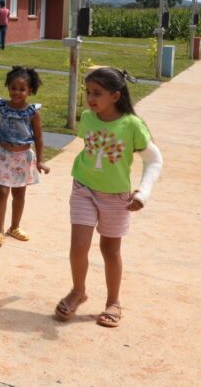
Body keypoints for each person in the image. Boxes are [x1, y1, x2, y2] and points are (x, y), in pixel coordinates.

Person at [54, 67, 163, 328]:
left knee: (110, 250)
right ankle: (78, 291)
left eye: (97, 93)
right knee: (78, 245)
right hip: (83, 188)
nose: (90, 98)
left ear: (115, 96)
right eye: (88, 92)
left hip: (116, 197)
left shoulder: (132, 125)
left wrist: (143, 192)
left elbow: (154, 160)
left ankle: (113, 301)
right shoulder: (88, 118)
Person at [0, 66, 49, 247]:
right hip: (3, 155)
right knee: (1, 192)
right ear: (8, 87)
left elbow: (39, 137)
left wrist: (40, 160)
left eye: (22, 89)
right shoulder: (2, 107)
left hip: (23, 157)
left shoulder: (32, 112)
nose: (16, 92)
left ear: (30, 91)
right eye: (13, 87)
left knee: (19, 193)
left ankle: (15, 227)